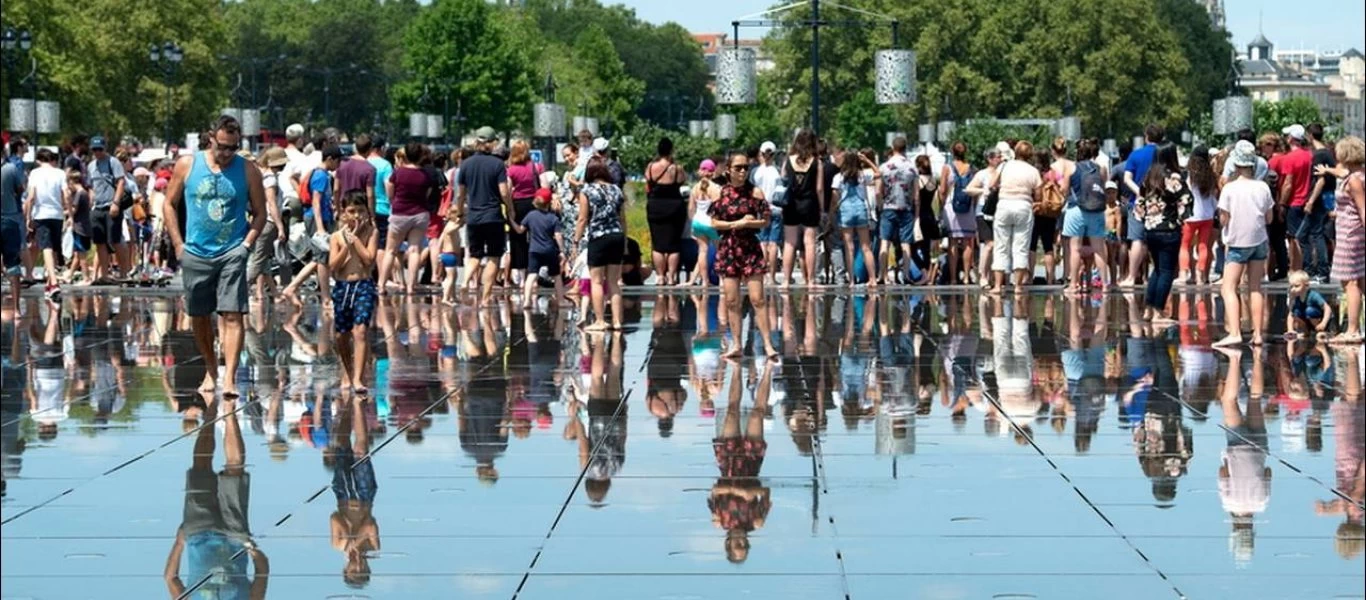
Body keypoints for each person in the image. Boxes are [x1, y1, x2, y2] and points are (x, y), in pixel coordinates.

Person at [163, 114, 267, 398]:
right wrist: (178, 245)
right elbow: (169, 204)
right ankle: (211, 370)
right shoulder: (188, 164)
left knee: (232, 314)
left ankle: (230, 377)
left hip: (232, 251)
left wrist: (246, 245)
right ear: (211, 138)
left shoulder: (247, 170)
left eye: (232, 148)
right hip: (195, 252)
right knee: (199, 316)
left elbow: (260, 213)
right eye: (222, 146)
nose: (226, 153)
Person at [710, 152, 779, 359]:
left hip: (750, 248)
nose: (742, 171)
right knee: (731, 300)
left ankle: (767, 344)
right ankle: (737, 344)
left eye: (745, 168)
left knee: (758, 298)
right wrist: (735, 224)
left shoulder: (755, 192)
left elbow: (765, 220)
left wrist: (749, 223)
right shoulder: (721, 193)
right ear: (728, 169)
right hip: (729, 247)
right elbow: (714, 222)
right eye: (738, 167)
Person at [1213, 141, 1274, 347]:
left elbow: (1223, 219)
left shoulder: (1229, 188)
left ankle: (1235, 332)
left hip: (1238, 242)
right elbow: (1269, 218)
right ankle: (1257, 334)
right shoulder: (1263, 187)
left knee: (1228, 287)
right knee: (1255, 287)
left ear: (1236, 164)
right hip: (1259, 241)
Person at [454, 127, 514, 307]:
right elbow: (504, 191)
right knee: (494, 257)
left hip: (474, 216)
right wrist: (510, 209)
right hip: (493, 215)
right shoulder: (497, 165)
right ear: (491, 143)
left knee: (475, 255)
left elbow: (460, 194)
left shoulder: (465, 164)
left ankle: (465, 282)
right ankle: (486, 298)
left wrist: (459, 211)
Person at [280, 145, 343, 306]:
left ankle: (292, 288)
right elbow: (316, 201)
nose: (339, 165)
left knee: (320, 258)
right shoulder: (321, 176)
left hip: (318, 218)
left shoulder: (318, 173)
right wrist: (320, 227)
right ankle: (325, 297)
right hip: (317, 219)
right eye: (338, 161)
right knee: (321, 259)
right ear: (330, 159)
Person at [328, 191, 378, 393]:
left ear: (367, 211)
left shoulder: (372, 233)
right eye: (351, 211)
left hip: (363, 285)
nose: (356, 215)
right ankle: (347, 371)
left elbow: (369, 259)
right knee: (341, 335)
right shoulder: (336, 237)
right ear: (343, 213)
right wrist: (346, 246)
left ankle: (358, 377)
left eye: (360, 210)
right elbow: (333, 265)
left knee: (360, 330)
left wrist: (356, 239)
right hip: (343, 286)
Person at [1135, 143, 1189, 324]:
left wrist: (1146, 219)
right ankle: (1159, 312)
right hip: (1169, 229)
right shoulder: (1174, 178)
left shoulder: (1149, 176)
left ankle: (1148, 309)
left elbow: (1139, 204)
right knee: (1166, 271)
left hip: (1151, 229)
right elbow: (1186, 199)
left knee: (1156, 270)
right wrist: (1182, 218)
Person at [574, 158, 627, 331]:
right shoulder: (617, 190)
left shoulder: (587, 191)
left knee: (596, 281)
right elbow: (622, 218)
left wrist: (576, 240)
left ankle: (599, 321)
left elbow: (582, 218)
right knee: (613, 282)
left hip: (598, 237)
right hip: (617, 236)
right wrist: (624, 241)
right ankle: (617, 321)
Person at [1325, 135, 1364, 345]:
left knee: (1350, 281)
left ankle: (1353, 330)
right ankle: (1354, 329)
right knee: (1361, 280)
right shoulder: (1359, 175)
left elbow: (1362, 208)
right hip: (1352, 231)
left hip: (1351, 234)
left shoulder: (1355, 179)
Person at [990, 140, 1041, 291]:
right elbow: (1038, 193)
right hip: (1024, 206)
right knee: (1021, 247)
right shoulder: (1033, 171)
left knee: (1001, 246)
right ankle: (1018, 285)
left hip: (1005, 204)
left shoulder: (1005, 165)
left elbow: (992, 184)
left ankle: (999, 285)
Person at [1062, 139, 1110, 294]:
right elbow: (1102, 186)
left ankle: (1074, 284)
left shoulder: (1071, 168)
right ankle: (1104, 284)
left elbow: (1064, 190)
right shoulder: (1100, 169)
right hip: (1096, 211)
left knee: (1075, 249)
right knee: (1099, 249)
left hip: (1076, 210)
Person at [1121, 124, 1166, 287]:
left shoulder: (1136, 154)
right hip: (1160, 201)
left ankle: (1131, 276)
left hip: (1138, 202)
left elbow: (1127, 178)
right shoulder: (1164, 154)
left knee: (1137, 240)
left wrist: (1140, 192)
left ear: (1146, 136)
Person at [385, 144, 432, 296]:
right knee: (414, 249)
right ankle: (411, 286)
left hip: (399, 213)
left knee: (391, 250)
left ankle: (381, 284)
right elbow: (427, 193)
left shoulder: (398, 172)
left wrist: (394, 200)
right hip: (420, 213)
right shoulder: (424, 175)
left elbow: (390, 190)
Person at [22, 149, 68, 302]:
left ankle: (54, 282)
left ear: (39, 160)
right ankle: (50, 284)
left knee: (46, 247)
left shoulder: (35, 173)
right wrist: (68, 211)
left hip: (41, 213)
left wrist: (28, 218)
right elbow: (65, 193)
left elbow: (31, 197)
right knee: (54, 247)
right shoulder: (60, 173)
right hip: (57, 213)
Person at [782, 130, 825, 288]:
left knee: (789, 242)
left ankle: (786, 280)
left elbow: (783, 179)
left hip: (791, 204)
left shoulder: (788, 160)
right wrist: (821, 209)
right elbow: (819, 188)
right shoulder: (817, 162)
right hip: (809, 203)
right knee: (810, 242)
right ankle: (811, 280)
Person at [832, 151, 879, 288]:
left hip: (846, 210)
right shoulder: (863, 175)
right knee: (866, 247)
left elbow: (835, 196)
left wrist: (835, 209)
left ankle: (852, 280)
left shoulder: (839, 177)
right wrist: (867, 161)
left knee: (849, 247)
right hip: (861, 210)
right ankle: (873, 279)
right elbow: (878, 173)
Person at [645, 137, 688, 286]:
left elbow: (648, 182)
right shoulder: (676, 168)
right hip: (675, 206)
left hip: (655, 206)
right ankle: (671, 276)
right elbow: (683, 180)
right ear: (671, 150)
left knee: (657, 243)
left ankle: (660, 276)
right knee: (673, 244)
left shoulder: (651, 167)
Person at [246, 149, 288, 302]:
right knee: (258, 260)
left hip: (261, 221)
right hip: (269, 222)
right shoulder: (270, 179)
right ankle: (241, 288)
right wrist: (280, 226)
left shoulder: (262, 175)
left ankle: (275, 293)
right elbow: (272, 204)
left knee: (263, 260)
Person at [514, 187, 564, 309]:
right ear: (549, 202)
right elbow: (558, 235)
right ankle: (561, 301)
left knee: (531, 275)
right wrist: (562, 250)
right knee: (556, 276)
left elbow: (520, 230)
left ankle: (526, 301)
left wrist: (511, 220)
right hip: (550, 250)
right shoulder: (554, 218)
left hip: (534, 250)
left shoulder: (531, 216)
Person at [87, 136, 128, 283]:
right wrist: (90, 203)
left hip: (111, 205)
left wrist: (116, 203)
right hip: (97, 207)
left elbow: (121, 182)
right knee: (100, 242)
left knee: (115, 240)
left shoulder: (113, 162)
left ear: (105, 149)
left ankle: (124, 273)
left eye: (100, 149)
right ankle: (104, 274)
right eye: (94, 149)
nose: (97, 152)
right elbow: (91, 186)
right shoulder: (91, 165)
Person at [506, 140, 544, 287]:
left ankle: (521, 276)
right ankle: (533, 272)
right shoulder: (536, 167)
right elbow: (544, 185)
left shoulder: (511, 170)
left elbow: (508, 191)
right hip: (533, 204)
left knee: (517, 239)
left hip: (518, 204)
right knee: (535, 238)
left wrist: (510, 209)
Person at [967, 144, 1007, 286]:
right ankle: (983, 275)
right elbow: (969, 189)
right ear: (990, 159)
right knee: (989, 244)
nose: (1001, 159)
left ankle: (993, 275)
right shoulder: (982, 174)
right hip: (983, 211)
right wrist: (983, 191)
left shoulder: (1003, 172)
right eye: (998, 157)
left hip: (1000, 211)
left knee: (999, 246)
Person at [1178, 146, 1218, 286]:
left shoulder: (1188, 175)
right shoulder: (1211, 175)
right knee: (1203, 246)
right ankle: (1201, 276)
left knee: (1185, 245)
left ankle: (1186, 273)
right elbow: (1214, 195)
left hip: (1191, 215)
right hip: (1208, 215)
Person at [1279, 124, 1315, 273]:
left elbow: (1288, 183)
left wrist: (1282, 203)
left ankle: (1298, 268)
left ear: (1292, 139)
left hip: (1294, 202)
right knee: (1306, 237)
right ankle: (1306, 266)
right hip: (1308, 201)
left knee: (1295, 238)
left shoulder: (1290, 158)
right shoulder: (1310, 155)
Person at [1301, 123, 1334, 283]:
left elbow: (1320, 180)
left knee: (1316, 234)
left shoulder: (1319, 155)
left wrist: (1311, 201)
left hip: (1318, 200)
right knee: (1304, 234)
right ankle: (1313, 269)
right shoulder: (1327, 153)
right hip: (1323, 199)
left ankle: (1321, 271)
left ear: (1310, 136)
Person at [942, 142, 977, 284]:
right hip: (968, 207)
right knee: (968, 241)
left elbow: (943, 190)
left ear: (952, 152)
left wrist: (941, 205)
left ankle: (953, 278)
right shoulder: (972, 169)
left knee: (953, 242)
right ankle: (967, 276)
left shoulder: (947, 168)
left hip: (951, 206)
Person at [752, 141, 784, 285]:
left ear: (761, 153)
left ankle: (763, 275)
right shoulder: (777, 171)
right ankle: (772, 277)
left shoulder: (756, 172)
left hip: (760, 209)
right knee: (773, 244)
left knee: (762, 243)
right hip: (776, 209)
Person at [686, 159, 721, 287]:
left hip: (697, 221)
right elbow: (718, 208)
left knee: (702, 251)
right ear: (713, 173)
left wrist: (692, 225)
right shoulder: (715, 188)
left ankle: (705, 281)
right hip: (711, 222)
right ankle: (722, 279)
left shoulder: (694, 188)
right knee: (720, 251)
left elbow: (691, 208)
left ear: (700, 171)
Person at [1, 151, 24, 310]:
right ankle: (16, 309)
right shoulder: (11, 168)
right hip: (9, 218)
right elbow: (20, 189)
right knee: (13, 264)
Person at [1283, 270, 1333, 341]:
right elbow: (1291, 314)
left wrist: (1323, 323)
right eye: (1291, 287)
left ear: (1306, 286)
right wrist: (1290, 330)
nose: (1293, 289)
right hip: (1307, 319)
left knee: (1310, 310)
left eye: (1297, 286)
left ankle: (1320, 330)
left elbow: (1327, 308)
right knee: (1296, 311)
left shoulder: (1313, 295)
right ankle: (1306, 331)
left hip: (1319, 318)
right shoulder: (1296, 297)